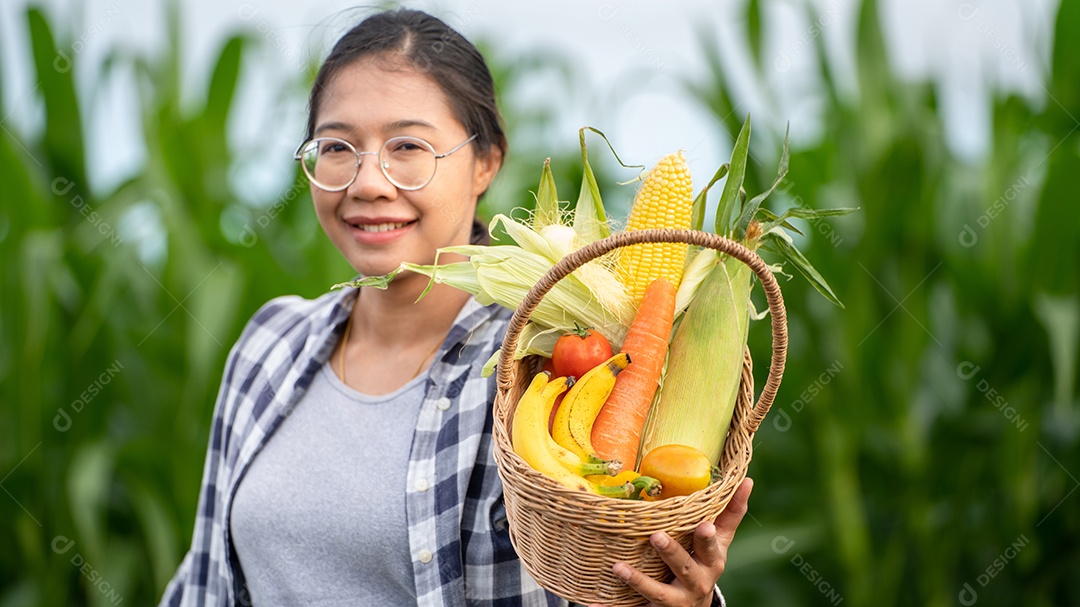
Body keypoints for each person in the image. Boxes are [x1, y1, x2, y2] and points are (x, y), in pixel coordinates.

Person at [159, 8, 752, 607]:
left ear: (487, 161)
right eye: (337, 146)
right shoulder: (269, 343)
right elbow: (205, 581)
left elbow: (617, 563)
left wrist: (687, 600)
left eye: (408, 146)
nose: (367, 182)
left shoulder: (551, 364)